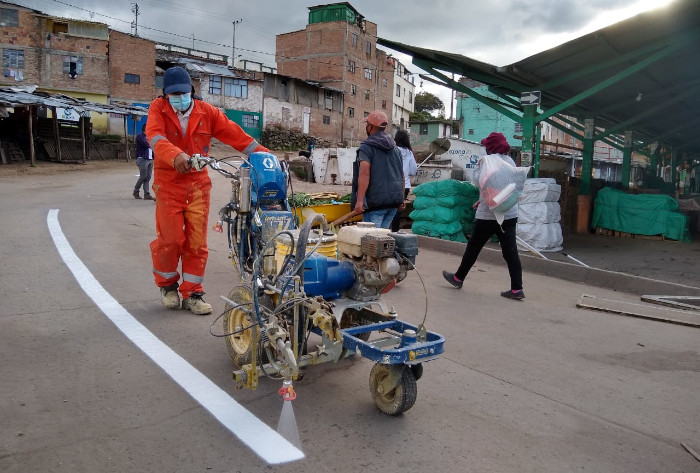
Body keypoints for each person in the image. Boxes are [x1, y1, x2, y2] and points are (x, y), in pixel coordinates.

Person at [146, 66, 269, 315]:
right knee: (170, 239)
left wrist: (267, 157)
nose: (179, 98)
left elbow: (238, 137)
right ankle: (168, 285)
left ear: (192, 91)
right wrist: (175, 155)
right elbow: (155, 136)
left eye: (183, 93)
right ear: (165, 95)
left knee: (196, 241)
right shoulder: (157, 108)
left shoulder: (208, 112)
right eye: (173, 94)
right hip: (168, 183)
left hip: (197, 186)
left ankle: (192, 293)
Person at [442, 132, 525, 300]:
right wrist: (481, 201)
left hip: (489, 216)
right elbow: (501, 187)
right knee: (511, 252)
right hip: (509, 213)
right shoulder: (509, 161)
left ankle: (458, 278)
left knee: (474, 246)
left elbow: (480, 182)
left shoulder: (487, 161)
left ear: (490, 147)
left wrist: (480, 167)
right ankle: (517, 289)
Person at [351, 110, 405, 229]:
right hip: (393, 202)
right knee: (382, 239)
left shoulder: (367, 147)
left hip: (375, 204)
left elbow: (364, 174)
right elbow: (401, 174)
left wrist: (359, 201)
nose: (366, 127)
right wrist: (401, 198)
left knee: (371, 241)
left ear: (370, 126)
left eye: (367, 124)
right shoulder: (395, 148)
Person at [390, 129, 418, 232]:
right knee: (399, 210)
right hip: (405, 186)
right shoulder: (409, 152)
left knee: (389, 210)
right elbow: (413, 170)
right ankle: (395, 232)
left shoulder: (391, 150)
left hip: (391, 184)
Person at [133, 124, 155, 200]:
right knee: (143, 176)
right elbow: (147, 144)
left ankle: (147, 194)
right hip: (142, 159)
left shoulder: (149, 137)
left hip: (150, 159)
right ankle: (136, 191)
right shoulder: (140, 137)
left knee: (148, 177)